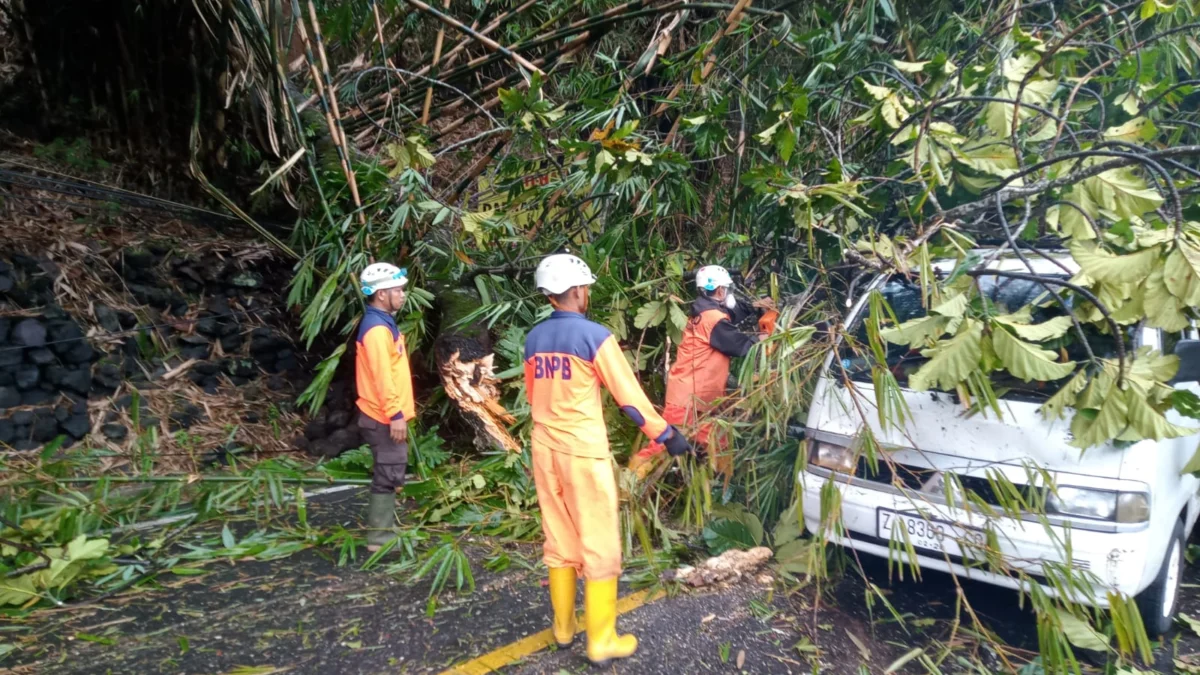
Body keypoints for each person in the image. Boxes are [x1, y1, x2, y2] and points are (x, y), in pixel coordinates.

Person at [524, 253, 694, 665]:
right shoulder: (594, 336)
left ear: (549, 296)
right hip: (582, 452)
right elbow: (630, 402)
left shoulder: (533, 339)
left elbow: (533, 396)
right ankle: (600, 641)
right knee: (599, 543)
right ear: (579, 291)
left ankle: (563, 629)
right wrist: (668, 435)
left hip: (544, 448)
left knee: (559, 538)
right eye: (587, 289)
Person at [628, 265, 778, 478]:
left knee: (720, 445)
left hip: (701, 401)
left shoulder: (704, 312)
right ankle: (630, 480)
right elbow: (745, 347)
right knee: (661, 446)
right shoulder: (714, 321)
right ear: (719, 291)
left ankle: (718, 488)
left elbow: (731, 313)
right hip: (688, 401)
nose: (727, 293)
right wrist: (766, 338)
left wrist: (755, 307)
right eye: (726, 289)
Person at [355, 262, 415, 552]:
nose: (402, 295)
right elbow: (382, 377)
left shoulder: (382, 322)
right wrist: (396, 414)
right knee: (387, 473)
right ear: (381, 294)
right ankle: (379, 540)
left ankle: (385, 531)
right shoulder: (377, 329)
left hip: (383, 413)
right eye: (397, 290)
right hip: (382, 415)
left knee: (389, 471)